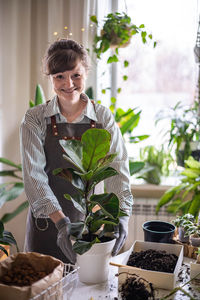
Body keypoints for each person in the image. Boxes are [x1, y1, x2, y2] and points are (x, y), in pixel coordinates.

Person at [20, 39, 133, 264]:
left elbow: (117, 167)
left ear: (86, 73)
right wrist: (61, 223)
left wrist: (121, 216)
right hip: (46, 226)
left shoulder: (102, 117)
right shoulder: (35, 119)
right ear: (50, 77)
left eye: (75, 75)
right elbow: (34, 177)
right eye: (59, 76)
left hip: (88, 227)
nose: (68, 83)